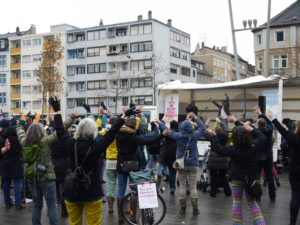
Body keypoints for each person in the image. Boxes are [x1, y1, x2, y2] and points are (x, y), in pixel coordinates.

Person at [53, 98, 133, 225]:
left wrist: (57, 111)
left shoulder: (70, 144)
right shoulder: (97, 146)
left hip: (72, 191)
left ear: (78, 129)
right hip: (92, 191)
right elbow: (111, 133)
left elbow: (60, 132)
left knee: (74, 223)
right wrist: (124, 116)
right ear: (94, 131)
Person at [206, 119, 266, 225]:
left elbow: (219, 149)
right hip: (251, 179)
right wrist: (252, 129)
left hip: (237, 178)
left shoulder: (233, 149)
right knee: (252, 202)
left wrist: (214, 136)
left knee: (237, 202)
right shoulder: (253, 147)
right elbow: (262, 137)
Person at [16, 114, 61, 225]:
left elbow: (19, 131)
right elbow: (59, 131)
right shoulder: (45, 141)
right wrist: (71, 119)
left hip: (33, 178)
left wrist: (21, 122)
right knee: (51, 205)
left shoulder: (24, 142)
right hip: (47, 177)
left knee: (37, 206)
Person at [158, 112, 206, 215]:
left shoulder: (178, 135)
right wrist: (195, 118)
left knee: (182, 185)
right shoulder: (195, 135)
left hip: (181, 164)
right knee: (193, 186)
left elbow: (167, 131)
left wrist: (160, 123)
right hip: (193, 164)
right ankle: (195, 208)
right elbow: (203, 129)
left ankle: (183, 208)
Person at [116, 117, 161, 225]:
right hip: (133, 166)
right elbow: (150, 140)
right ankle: (132, 216)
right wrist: (162, 134)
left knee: (121, 190)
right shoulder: (134, 137)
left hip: (121, 165)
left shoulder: (118, 135)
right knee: (134, 191)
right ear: (134, 127)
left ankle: (120, 217)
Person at [267, 110, 300, 225]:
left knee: (295, 195)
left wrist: (273, 118)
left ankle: (292, 222)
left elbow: (281, 130)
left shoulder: (292, 138)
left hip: (295, 169)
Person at [0, 122, 24, 209]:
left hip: (5, 164)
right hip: (16, 164)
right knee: (18, 183)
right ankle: (18, 203)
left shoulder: (3, 139)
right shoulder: (18, 140)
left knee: (6, 183)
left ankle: (7, 202)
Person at [254, 106, 276, 201]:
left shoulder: (255, 132)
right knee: (270, 177)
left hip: (258, 158)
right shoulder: (270, 131)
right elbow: (271, 123)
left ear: (258, 124)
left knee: (257, 177)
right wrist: (261, 114)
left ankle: (257, 196)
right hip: (268, 157)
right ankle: (272, 196)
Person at [206, 118, 231, 198]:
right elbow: (226, 129)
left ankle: (213, 193)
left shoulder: (212, 137)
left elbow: (205, 131)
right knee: (223, 176)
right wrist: (220, 122)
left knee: (213, 177)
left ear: (215, 131)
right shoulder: (225, 136)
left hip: (213, 158)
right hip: (222, 158)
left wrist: (206, 123)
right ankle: (228, 192)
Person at [160, 120, 178, 195]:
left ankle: (172, 188)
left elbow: (162, 129)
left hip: (167, 154)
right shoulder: (178, 134)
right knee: (174, 172)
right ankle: (174, 187)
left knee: (170, 171)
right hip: (175, 154)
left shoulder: (168, 133)